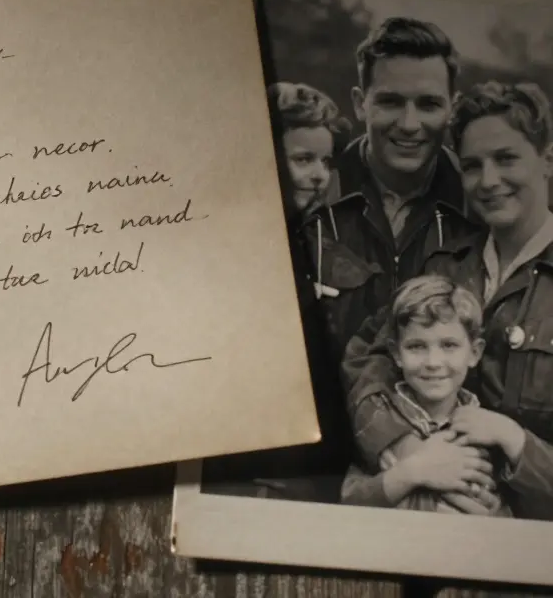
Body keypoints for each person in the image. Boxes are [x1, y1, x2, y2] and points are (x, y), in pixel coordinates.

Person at [344, 81, 553, 520]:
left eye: (506, 159)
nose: (489, 181)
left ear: (548, 160)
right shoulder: (444, 267)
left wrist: (515, 443)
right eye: (473, 166)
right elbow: (368, 359)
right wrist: (404, 445)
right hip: (418, 514)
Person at [201, 82, 355, 502]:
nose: (320, 174)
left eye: (325, 160)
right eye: (303, 159)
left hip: (299, 461)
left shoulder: (320, 246)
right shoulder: (218, 237)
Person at [318, 16, 478, 370]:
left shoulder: (481, 207)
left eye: (429, 104)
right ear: (361, 104)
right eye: (390, 102)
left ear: (452, 108)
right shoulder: (311, 199)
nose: (409, 124)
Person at [339, 274, 509, 515]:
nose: (433, 362)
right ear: (396, 353)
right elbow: (350, 503)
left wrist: (493, 516)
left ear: (474, 352)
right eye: (417, 346)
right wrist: (412, 472)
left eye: (449, 345)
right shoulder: (381, 420)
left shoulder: (485, 431)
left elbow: (498, 509)